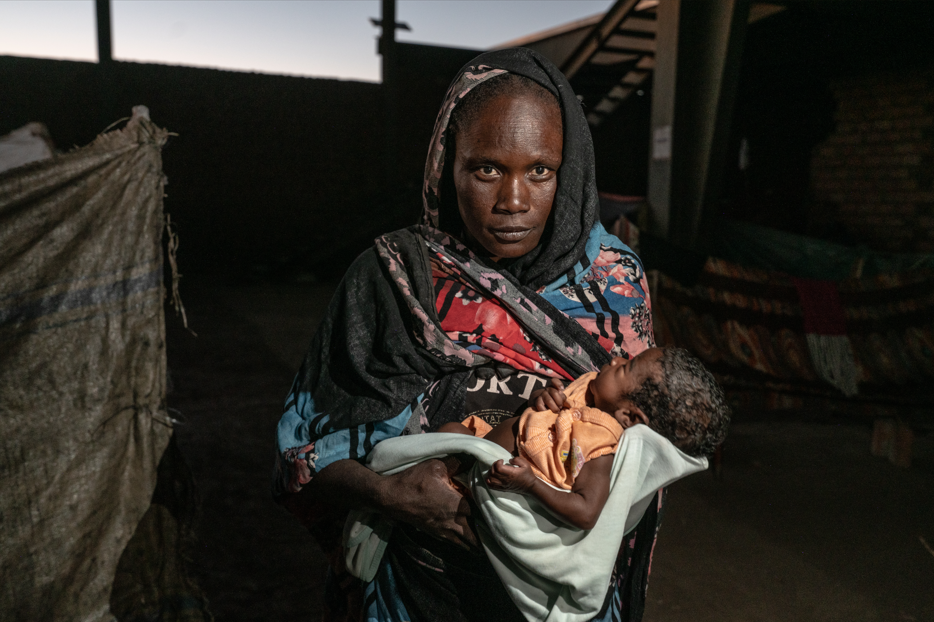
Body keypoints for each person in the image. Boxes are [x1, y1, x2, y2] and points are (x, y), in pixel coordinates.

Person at [275, 48, 676, 622]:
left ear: (570, 169)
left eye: (540, 170)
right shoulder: (391, 278)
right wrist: (389, 495)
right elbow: (301, 445)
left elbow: (646, 452)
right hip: (413, 589)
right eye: (488, 168)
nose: (513, 202)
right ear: (448, 165)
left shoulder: (614, 282)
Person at [440, 347, 729, 530]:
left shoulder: (600, 448)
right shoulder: (587, 392)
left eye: (625, 367)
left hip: (496, 484)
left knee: (438, 454)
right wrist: (542, 398)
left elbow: (586, 513)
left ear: (629, 417)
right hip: (478, 446)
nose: (616, 358)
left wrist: (530, 485)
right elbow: (543, 421)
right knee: (449, 433)